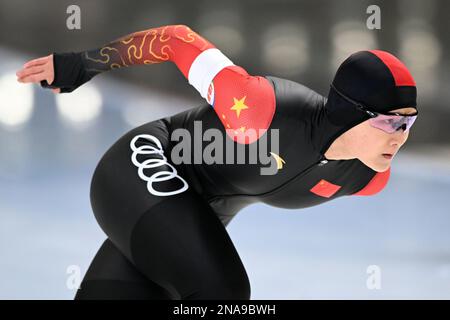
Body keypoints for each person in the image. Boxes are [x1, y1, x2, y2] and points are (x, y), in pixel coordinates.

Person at [16, 24, 418, 300]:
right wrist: (80, 65)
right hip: (143, 167)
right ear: (351, 112)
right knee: (221, 293)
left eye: (409, 122)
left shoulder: (367, 177)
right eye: (390, 121)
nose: (400, 136)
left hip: (191, 210)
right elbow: (176, 40)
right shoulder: (259, 110)